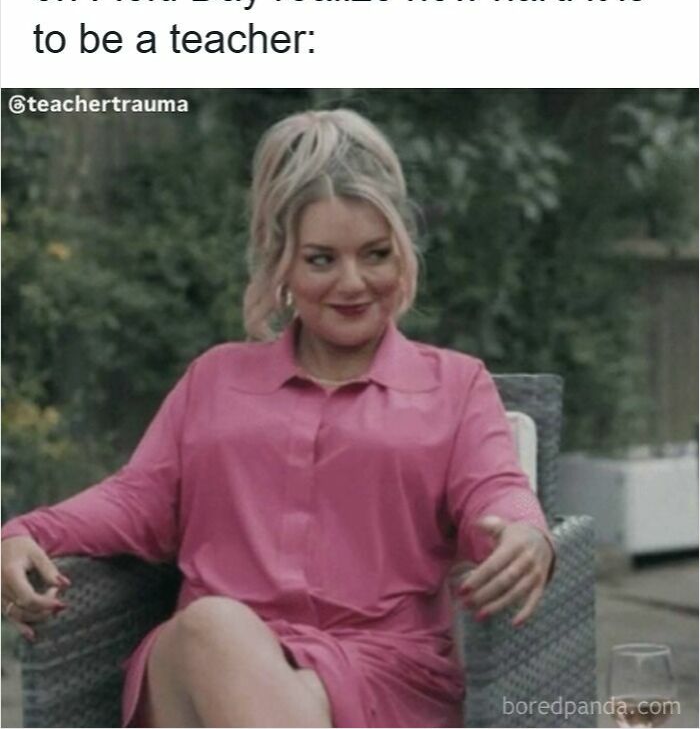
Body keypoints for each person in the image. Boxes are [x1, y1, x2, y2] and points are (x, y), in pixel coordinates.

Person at [1, 108, 555, 728]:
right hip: (205, 665)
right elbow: (139, 499)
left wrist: (526, 532)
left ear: (403, 258)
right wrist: (28, 532)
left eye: (375, 255)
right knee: (212, 627)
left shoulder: (455, 384)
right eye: (321, 260)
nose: (353, 283)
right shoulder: (215, 379)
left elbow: (495, 490)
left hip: (381, 679)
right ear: (282, 265)